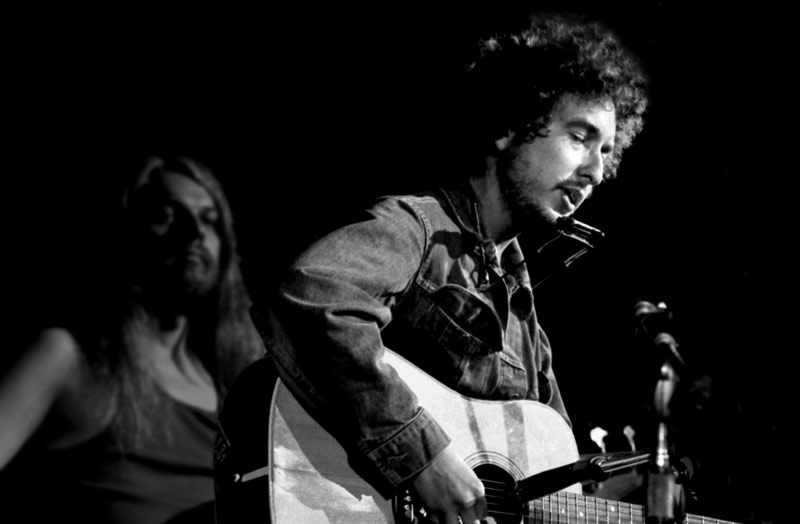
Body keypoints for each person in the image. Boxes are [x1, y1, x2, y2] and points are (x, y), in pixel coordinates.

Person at [238, 12, 649, 524]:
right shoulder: (420, 227)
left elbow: (552, 477)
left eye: (606, 151)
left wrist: (624, 498)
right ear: (509, 127)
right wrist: (422, 456)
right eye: (580, 137)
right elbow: (315, 297)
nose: (596, 171)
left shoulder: (527, 324)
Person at [0, 155, 264, 523]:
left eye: (209, 220)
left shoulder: (237, 386)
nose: (194, 233)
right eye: (167, 215)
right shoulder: (68, 358)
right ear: (123, 233)